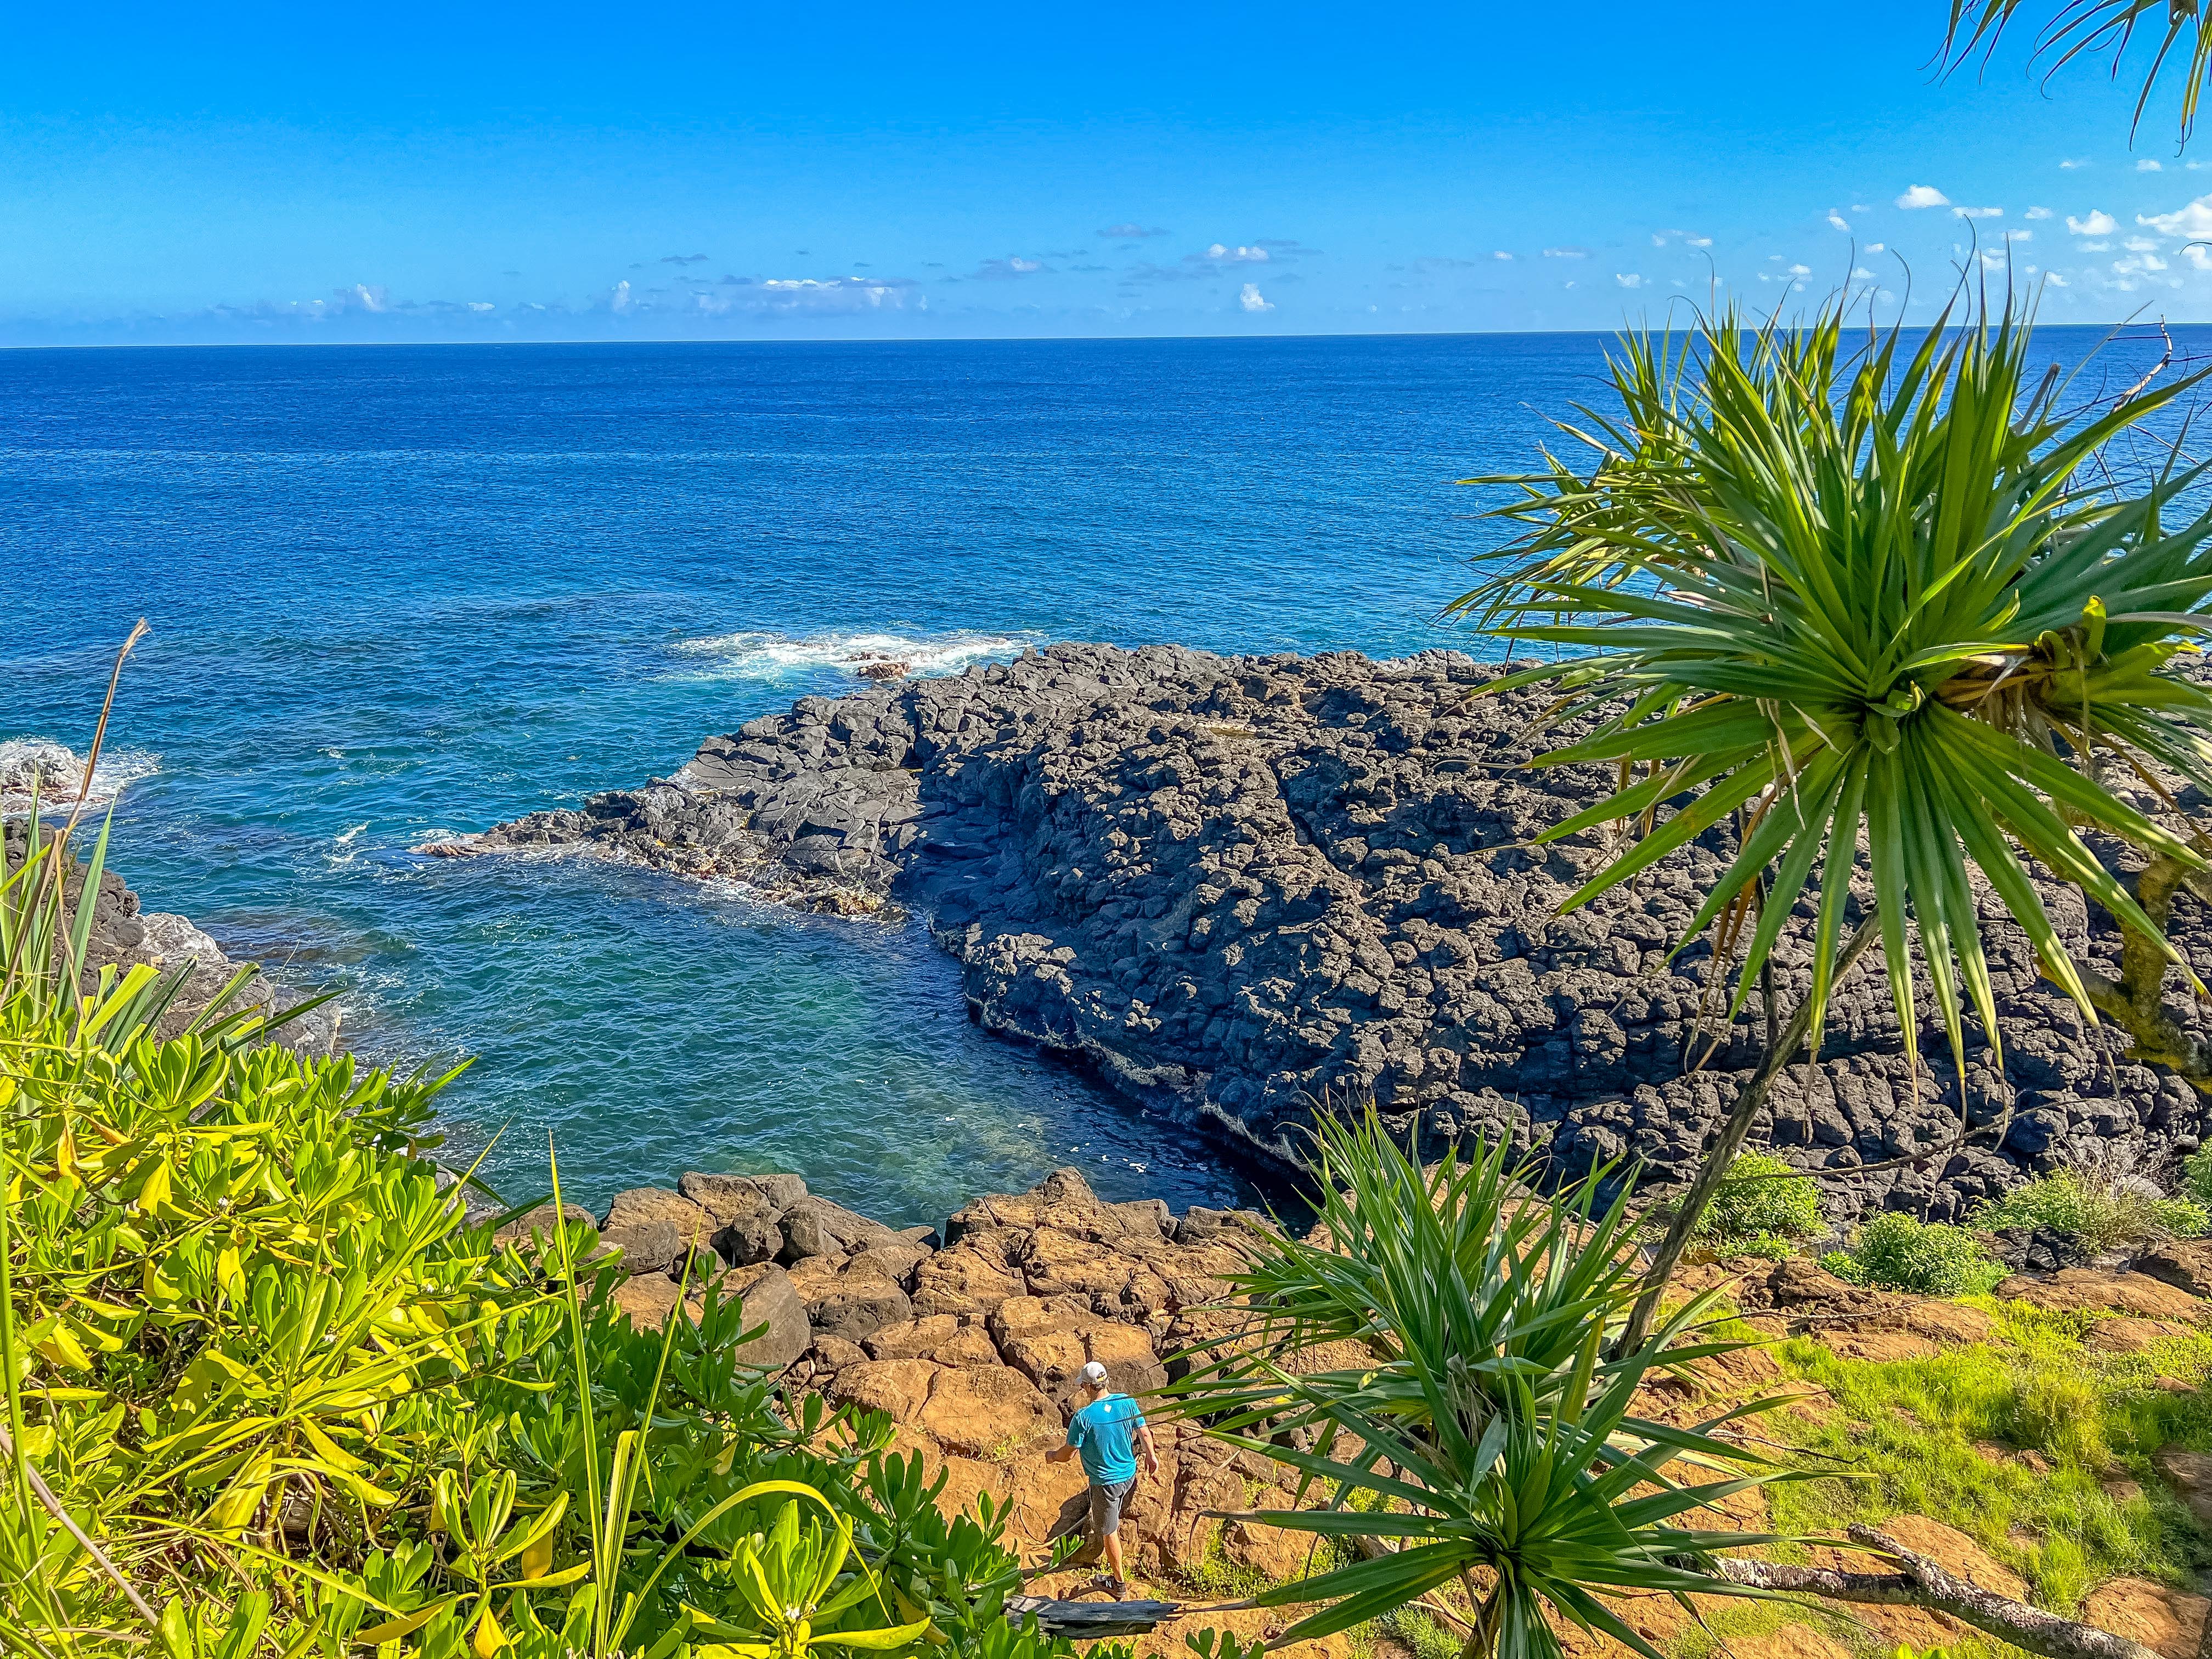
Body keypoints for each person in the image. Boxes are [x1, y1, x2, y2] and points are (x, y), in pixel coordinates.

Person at [1046, 1359, 1159, 1597]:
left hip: (1105, 1483)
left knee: (1109, 1531)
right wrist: (1151, 1456)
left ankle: (1118, 1584)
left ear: (1087, 1387)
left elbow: (1068, 1453)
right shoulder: (1126, 1401)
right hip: (1129, 1475)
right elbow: (1144, 1432)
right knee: (1114, 1516)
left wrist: (1053, 1456)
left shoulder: (1083, 1417)